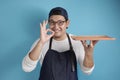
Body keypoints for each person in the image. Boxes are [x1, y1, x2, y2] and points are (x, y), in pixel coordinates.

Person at [22, 7, 98, 80]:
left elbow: (87, 71)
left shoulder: (77, 41)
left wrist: (89, 54)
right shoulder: (41, 42)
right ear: (49, 23)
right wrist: (41, 43)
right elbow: (26, 68)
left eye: (60, 22)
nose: (56, 26)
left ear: (67, 23)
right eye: (52, 22)